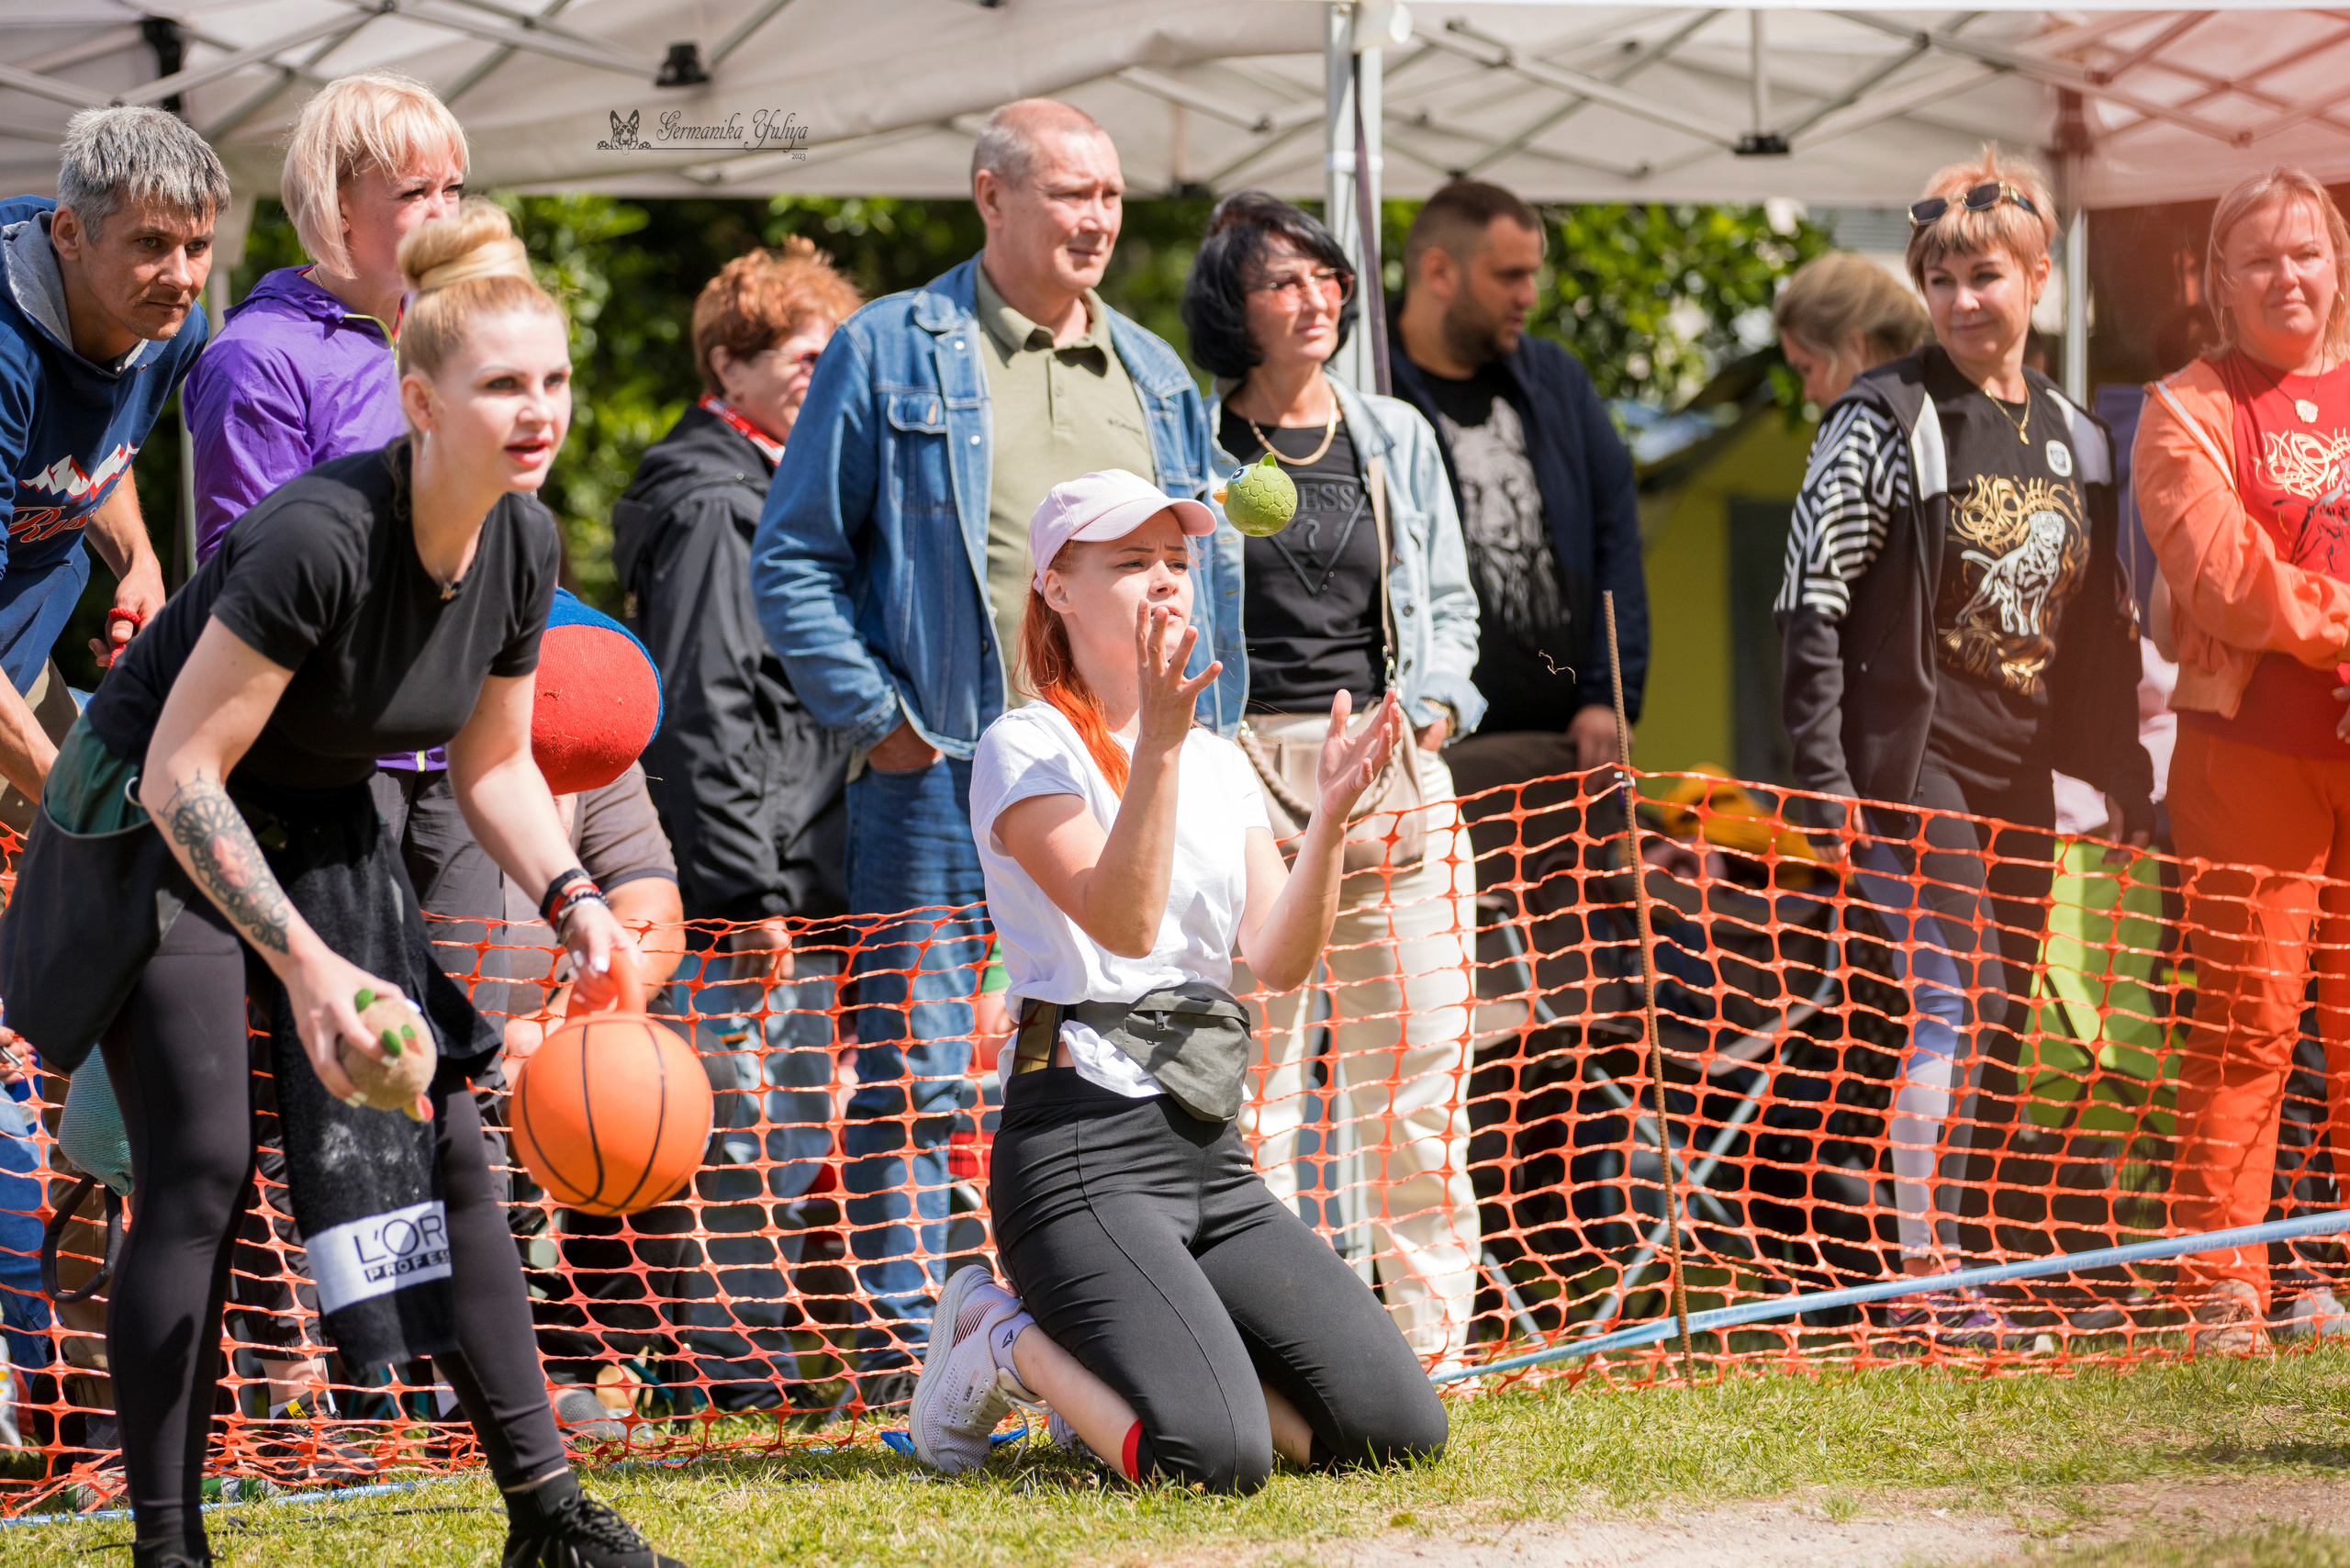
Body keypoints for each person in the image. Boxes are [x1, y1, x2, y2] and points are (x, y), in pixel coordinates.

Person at [6, 202, 685, 1568]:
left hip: (323, 828)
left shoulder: (522, 544)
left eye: (553, 381)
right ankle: (169, 1548)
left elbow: (495, 764)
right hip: (157, 833)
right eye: (503, 386)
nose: (538, 411)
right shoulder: (313, 539)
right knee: (197, 1166)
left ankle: (550, 1520)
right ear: (420, 402)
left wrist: (577, 898)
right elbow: (181, 777)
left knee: (449, 1148)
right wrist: (312, 973)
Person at [751, 97, 1239, 1409]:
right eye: (1071, 193)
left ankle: (1101, 1332)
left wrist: (1209, 746)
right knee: (912, 1077)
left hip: (1118, 774)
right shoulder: (891, 347)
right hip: (943, 767)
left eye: (1113, 198)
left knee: (1136, 1050)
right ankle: (913, 1357)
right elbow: (792, 557)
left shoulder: (1155, 372)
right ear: (991, 197)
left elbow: (1209, 583)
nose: (1096, 220)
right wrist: (888, 726)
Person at [905, 468, 1448, 1492]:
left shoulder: (1215, 757)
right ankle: (998, 1338)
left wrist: (1328, 817)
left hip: (1209, 1155)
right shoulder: (1026, 744)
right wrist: (1151, 741)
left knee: (1396, 1430)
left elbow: (1278, 961)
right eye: (1129, 563)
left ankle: (1145, 1364)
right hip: (1078, 1151)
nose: (1164, 582)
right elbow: (1120, 916)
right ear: (1057, 589)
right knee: (1212, 1459)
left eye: (1175, 561)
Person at [1775, 147, 2154, 1346]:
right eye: (1939, 281)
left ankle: (1977, 1264)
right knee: (1958, 996)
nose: (1961, 302)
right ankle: (1929, 1281)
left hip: (2023, 767)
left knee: (2004, 1018)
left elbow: (2102, 636)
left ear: (2038, 279)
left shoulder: (2081, 439)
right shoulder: (1883, 421)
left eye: (1984, 276)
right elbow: (1810, 599)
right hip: (1911, 759)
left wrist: (2129, 777)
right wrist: (1828, 780)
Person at [1181, 191, 1485, 1365]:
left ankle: (1433, 1352)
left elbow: (1447, 610)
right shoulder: (1195, 452)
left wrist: (1437, 711)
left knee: (1416, 1083)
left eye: (1328, 278)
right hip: (1247, 771)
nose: (1316, 302)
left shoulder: (1394, 436)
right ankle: (1282, 1353)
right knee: (1257, 1095)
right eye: (1284, 282)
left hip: (1394, 772)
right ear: (1233, 306)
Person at [183, 72, 496, 998]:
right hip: (334, 762)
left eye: (454, 188)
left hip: (463, 744)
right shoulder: (258, 357)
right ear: (335, 205)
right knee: (338, 1064)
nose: (443, 213)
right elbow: (246, 582)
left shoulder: (459, 339)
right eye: (413, 192)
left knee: (470, 1044)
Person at [613, 241, 861, 1297]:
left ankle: (740, 1348)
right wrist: (747, 892)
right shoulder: (717, 502)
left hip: (792, 875)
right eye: (804, 358)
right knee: (740, 1119)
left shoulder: (775, 488)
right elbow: (705, 707)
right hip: (745, 893)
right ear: (729, 368)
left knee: (784, 1118)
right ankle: (729, 1358)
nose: (825, 377)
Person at [2133, 166, 2350, 1352]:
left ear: (2338, 263)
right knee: (2245, 1026)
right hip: (2245, 762)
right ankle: (2221, 1286)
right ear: (2220, 278)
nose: (2288, 277)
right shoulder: (2188, 405)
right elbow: (2223, 576)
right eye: (2261, 257)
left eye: (2308, 252)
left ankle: (2329, 1271)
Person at [1383, 179, 1645, 893]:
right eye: (1509, 274)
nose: (1529, 294)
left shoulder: (1555, 378)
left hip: (1569, 747)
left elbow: (1616, 535)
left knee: (1582, 974)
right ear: (1439, 271)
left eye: (1533, 272)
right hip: (1437, 747)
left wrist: (1610, 694)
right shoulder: (1371, 384)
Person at [0, 106, 216, 829]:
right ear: (69, 232)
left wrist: (138, 562)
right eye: (151, 243)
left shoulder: (171, 328)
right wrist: (72, 793)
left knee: (109, 880)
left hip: (17, 661)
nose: (181, 278)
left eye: (199, 245)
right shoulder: (5, 358)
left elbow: (85, 454)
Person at [1774, 251, 1933, 409]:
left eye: (1806, 369)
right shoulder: (1939, 406)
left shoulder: (1862, 429)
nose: (1808, 394)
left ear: (1856, 347)